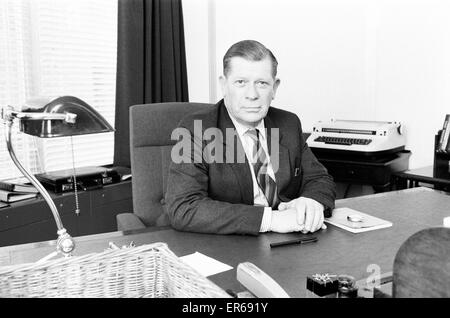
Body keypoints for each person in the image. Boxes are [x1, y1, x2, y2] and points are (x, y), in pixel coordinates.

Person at [165, 40, 336, 235]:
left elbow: (319, 178)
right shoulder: (196, 129)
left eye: (262, 83)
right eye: (241, 82)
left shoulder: (288, 123)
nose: (252, 95)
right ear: (224, 85)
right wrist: (271, 220)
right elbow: (183, 207)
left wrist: (312, 202)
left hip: (290, 242)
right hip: (229, 245)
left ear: (275, 88)